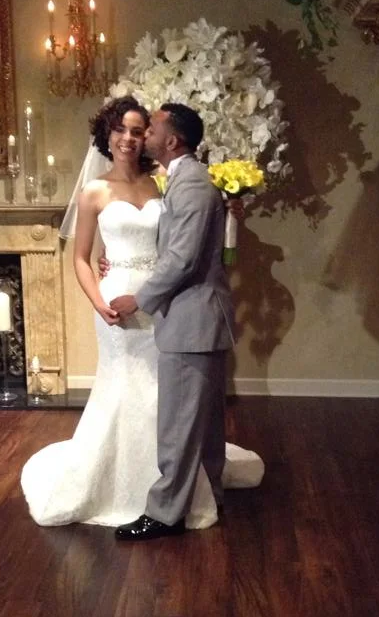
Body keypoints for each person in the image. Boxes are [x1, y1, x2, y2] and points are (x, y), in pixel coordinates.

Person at [20, 97, 262, 529]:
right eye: (124, 130)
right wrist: (98, 297)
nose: (133, 138)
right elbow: (81, 257)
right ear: (107, 136)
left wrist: (228, 212)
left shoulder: (165, 183)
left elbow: (185, 243)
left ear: (165, 138)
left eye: (140, 129)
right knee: (137, 390)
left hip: (164, 303)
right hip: (120, 301)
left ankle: (168, 495)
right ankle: (130, 485)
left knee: (171, 402)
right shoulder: (95, 191)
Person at [110, 103, 239, 541]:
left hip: (193, 322)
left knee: (179, 424)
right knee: (202, 422)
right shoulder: (183, 180)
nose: (145, 133)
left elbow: (182, 259)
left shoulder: (192, 186)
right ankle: (211, 493)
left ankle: (165, 514)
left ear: (173, 140)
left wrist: (138, 300)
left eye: (154, 127)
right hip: (197, 320)